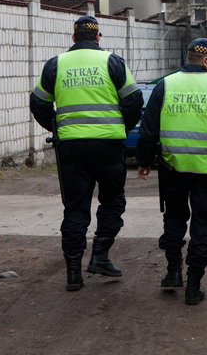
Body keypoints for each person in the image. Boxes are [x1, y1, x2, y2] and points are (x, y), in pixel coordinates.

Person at [30, 15, 143, 292]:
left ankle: (72, 272)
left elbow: (38, 103)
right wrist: (121, 127)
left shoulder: (56, 64)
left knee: (75, 207)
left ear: (73, 38)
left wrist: (57, 127)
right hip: (108, 145)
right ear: (97, 37)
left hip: (71, 147)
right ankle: (100, 256)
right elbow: (134, 101)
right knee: (112, 201)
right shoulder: (112, 62)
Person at [137, 37, 207, 305]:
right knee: (203, 224)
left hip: (172, 167)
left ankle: (173, 272)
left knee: (174, 218)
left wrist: (144, 160)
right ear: (204, 59)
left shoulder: (165, 84)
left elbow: (149, 127)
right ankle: (194, 285)